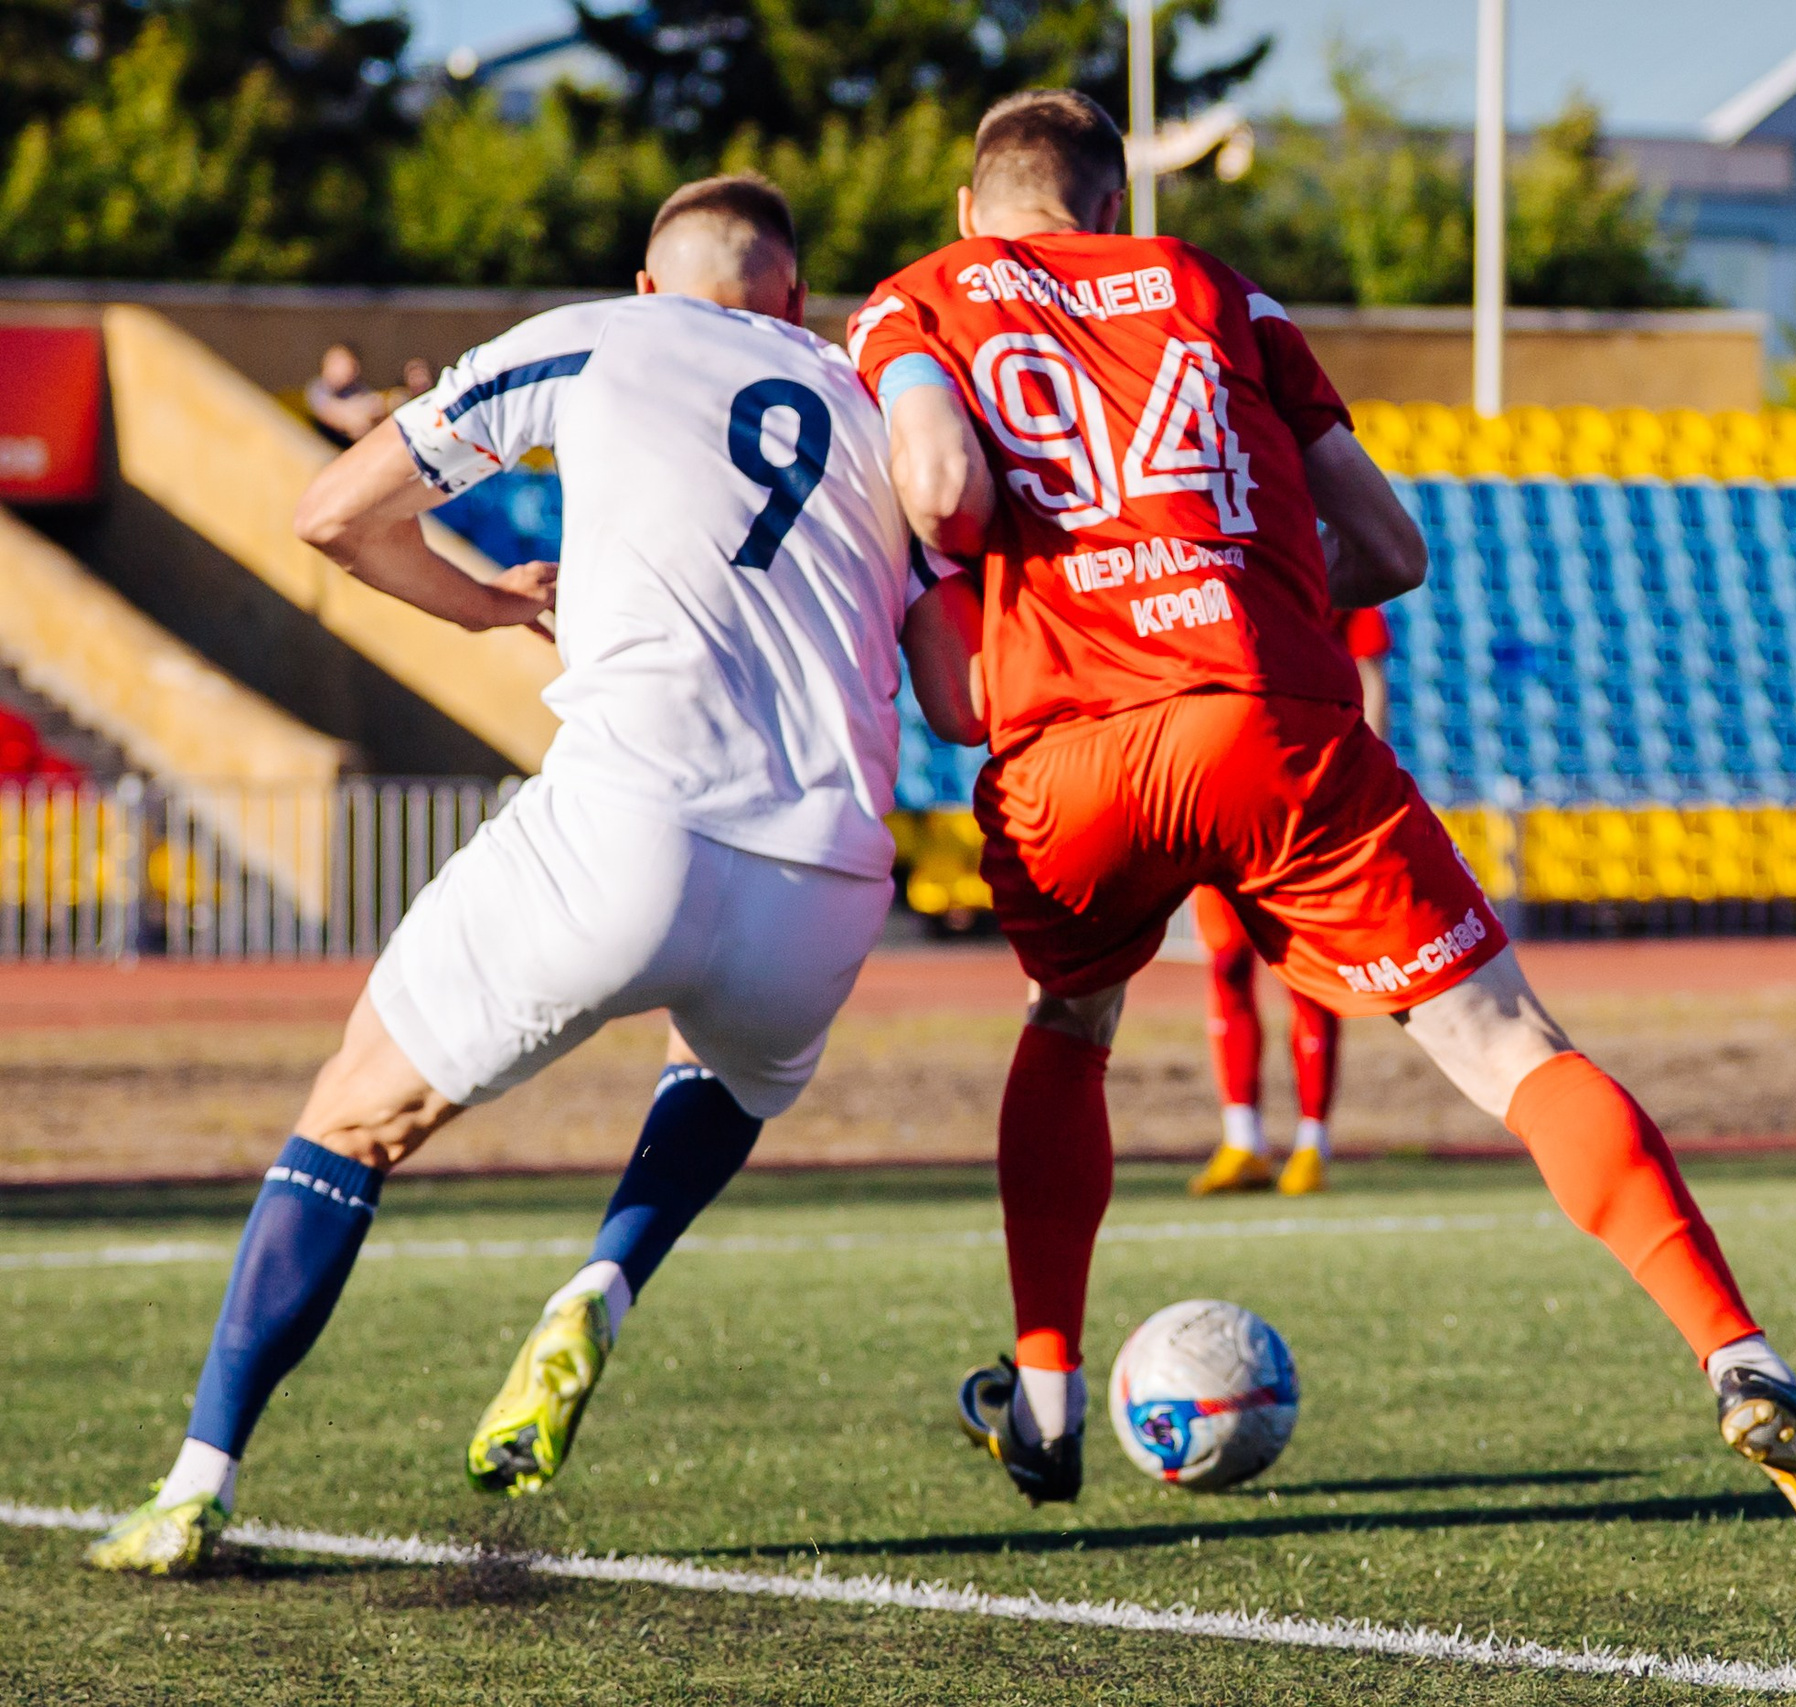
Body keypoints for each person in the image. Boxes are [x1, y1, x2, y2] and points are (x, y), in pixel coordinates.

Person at [851, 91, 1796, 1563]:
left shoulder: (921, 295)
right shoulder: (1216, 286)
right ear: (1108, 204)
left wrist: (997, 567)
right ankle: (1742, 1356)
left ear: (979, 207)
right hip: (1270, 716)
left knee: (1072, 1022)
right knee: (1511, 1046)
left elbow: (945, 488)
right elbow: (1393, 547)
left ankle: (1041, 1398)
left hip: (1074, 751)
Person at [85, 173, 980, 1576]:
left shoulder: (597, 338)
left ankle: (197, 1478)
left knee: (355, 1115)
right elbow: (962, 700)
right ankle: (607, 1275)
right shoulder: (880, 400)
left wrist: (497, 602)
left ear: (646, 287)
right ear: (797, 299)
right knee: (724, 1063)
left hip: (629, 826)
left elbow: (335, 514)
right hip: (826, 873)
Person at [1187, 605, 1391, 1197]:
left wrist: (1353, 782)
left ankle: (1311, 1142)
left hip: (1308, 805)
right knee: (1226, 964)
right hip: (1225, 793)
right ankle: (1243, 1138)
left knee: (1307, 976)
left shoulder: (1337, 565)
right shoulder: (1217, 559)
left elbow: (1372, 678)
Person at [304, 342, 391, 446]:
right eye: (334, 363)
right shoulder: (318, 388)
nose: (338, 369)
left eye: (343, 364)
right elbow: (339, 418)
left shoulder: (358, 390)